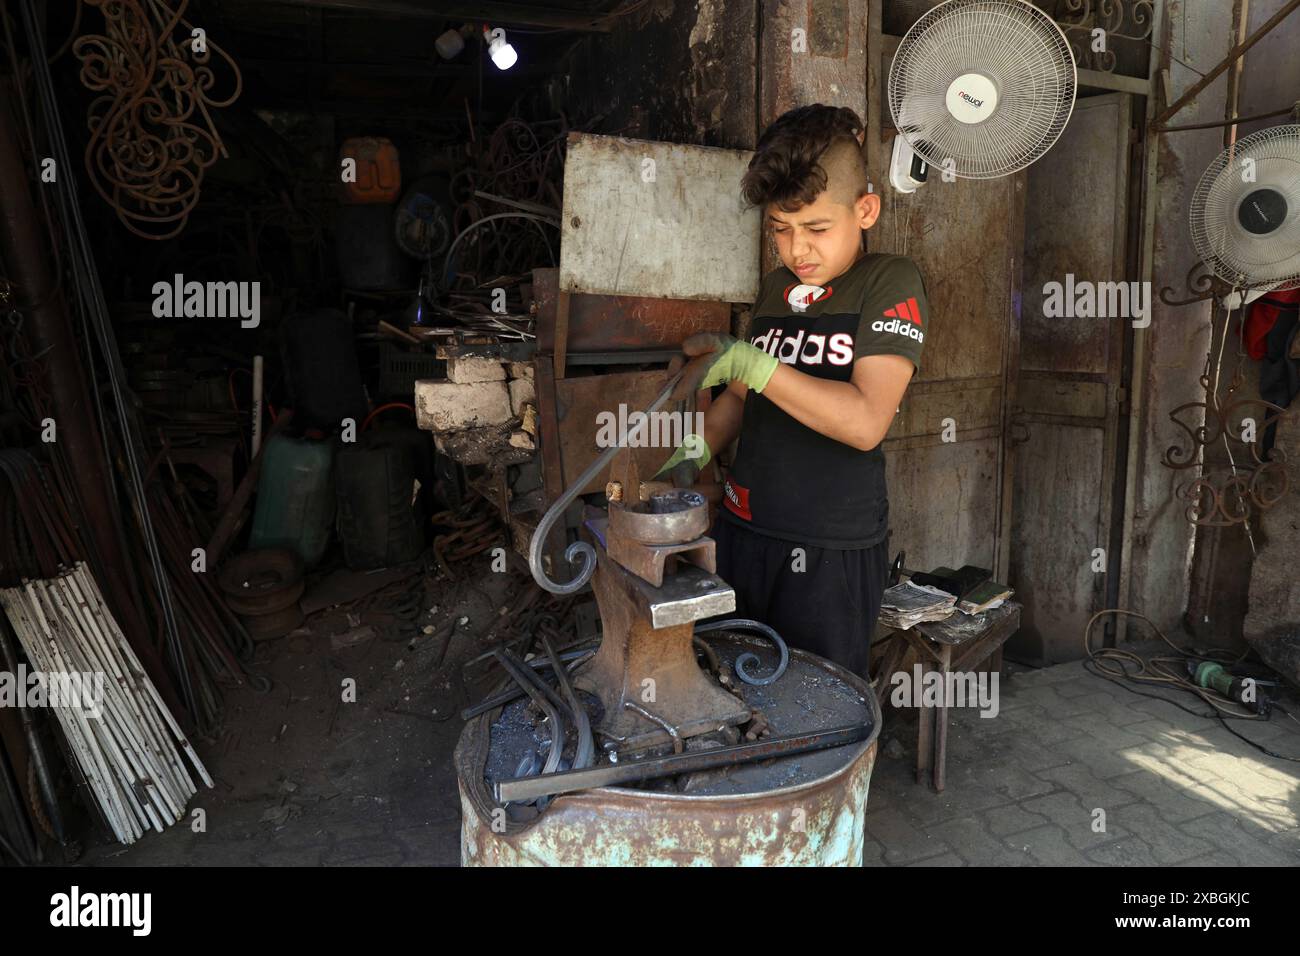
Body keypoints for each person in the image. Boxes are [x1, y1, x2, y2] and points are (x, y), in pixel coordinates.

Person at [655, 104, 929, 679]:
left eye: (815, 229)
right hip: (743, 530)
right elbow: (740, 399)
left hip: (829, 546)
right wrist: (690, 455)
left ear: (866, 210)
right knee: (729, 682)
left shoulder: (889, 281)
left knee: (816, 704)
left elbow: (865, 422)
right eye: (780, 230)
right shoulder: (777, 289)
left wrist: (753, 365)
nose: (796, 249)